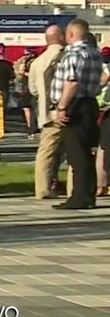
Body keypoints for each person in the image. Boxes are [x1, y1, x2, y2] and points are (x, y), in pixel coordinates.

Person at [50, 18, 102, 210]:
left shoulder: (73, 54)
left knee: (76, 153)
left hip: (74, 104)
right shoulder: (94, 53)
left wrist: (62, 107)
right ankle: (89, 194)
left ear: (71, 34)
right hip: (89, 103)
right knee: (87, 152)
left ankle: (78, 197)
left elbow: (72, 82)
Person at [30, 25, 67, 200]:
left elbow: (33, 90)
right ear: (60, 36)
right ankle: (75, 187)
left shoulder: (37, 62)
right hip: (66, 110)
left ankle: (42, 188)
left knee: (46, 152)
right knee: (75, 149)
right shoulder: (67, 56)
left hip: (46, 114)